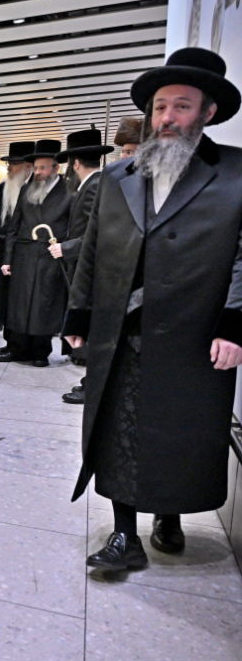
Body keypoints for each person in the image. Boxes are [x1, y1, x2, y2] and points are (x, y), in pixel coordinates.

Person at [64, 47, 242, 571]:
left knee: (178, 429)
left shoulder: (235, 175)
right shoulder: (120, 177)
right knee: (118, 427)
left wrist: (235, 325)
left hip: (194, 333)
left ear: (207, 112)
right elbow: (93, 252)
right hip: (121, 331)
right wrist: (77, 316)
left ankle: (170, 513)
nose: (167, 118)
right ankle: (125, 535)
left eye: (181, 106)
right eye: (160, 106)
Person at [0, 139, 73, 367]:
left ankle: (41, 351)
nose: (38, 172)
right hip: (23, 255)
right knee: (20, 305)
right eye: (36, 167)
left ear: (55, 168)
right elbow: (13, 227)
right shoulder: (26, 189)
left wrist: (66, 252)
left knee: (44, 304)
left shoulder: (69, 192)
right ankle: (19, 349)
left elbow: (72, 228)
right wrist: (7, 259)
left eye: (43, 167)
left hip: (50, 256)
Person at [53, 128, 113, 405]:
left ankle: (93, 385)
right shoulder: (98, 183)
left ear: (74, 163)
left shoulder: (93, 186)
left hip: (90, 267)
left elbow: (95, 232)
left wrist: (65, 248)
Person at [0, 142, 34, 358]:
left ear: (27, 166)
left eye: (14, 164)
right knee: (5, 299)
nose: (9, 168)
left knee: (23, 299)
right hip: (4, 250)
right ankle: (11, 342)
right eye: (10, 164)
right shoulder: (1, 190)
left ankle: (25, 344)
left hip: (27, 252)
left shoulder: (36, 189)